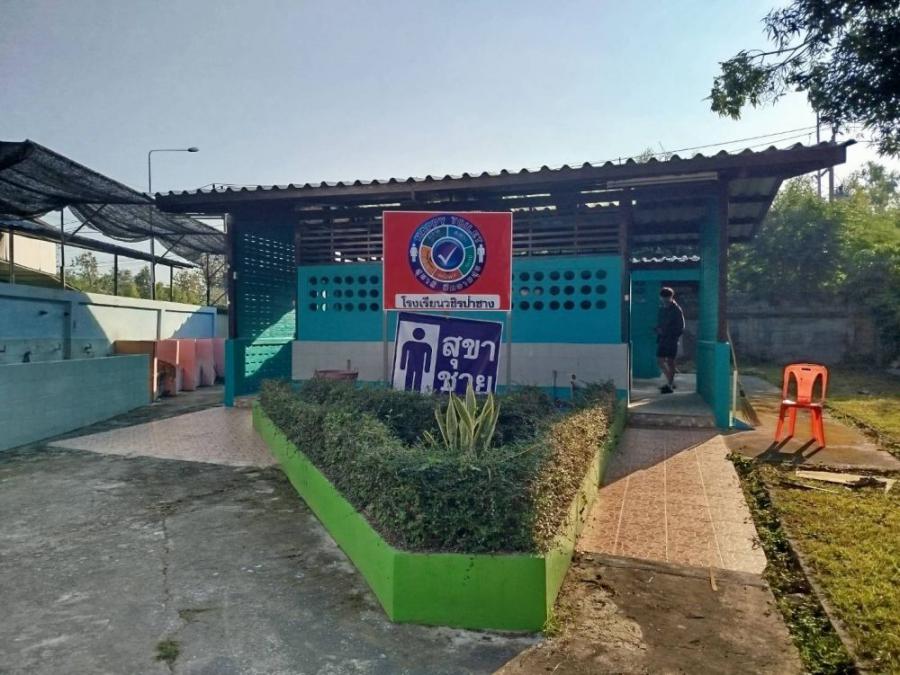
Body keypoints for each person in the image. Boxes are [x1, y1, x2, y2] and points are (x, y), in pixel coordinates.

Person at [655, 286, 684, 394]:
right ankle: (670, 382)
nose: (664, 299)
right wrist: (658, 329)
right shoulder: (662, 309)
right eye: (663, 297)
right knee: (660, 360)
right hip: (662, 338)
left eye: (666, 297)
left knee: (670, 361)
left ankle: (670, 384)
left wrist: (672, 335)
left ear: (671, 297)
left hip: (671, 339)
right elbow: (660, 322)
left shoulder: (676, 310)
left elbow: (681, 326)